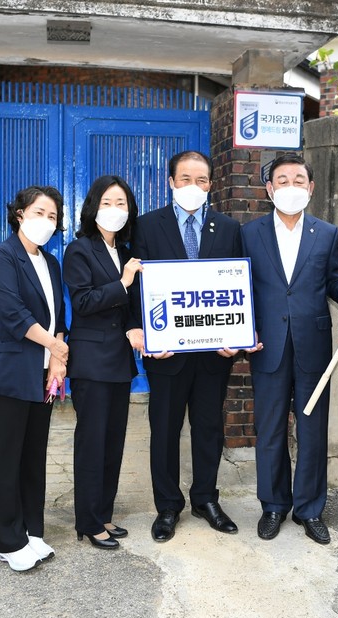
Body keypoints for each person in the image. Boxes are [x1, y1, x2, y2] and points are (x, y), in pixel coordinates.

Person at [241, 153, 338, 545]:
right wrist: (241, 331)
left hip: (313, 346)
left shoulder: (326, 232)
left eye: (298, 180)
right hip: (267, 345)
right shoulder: (250, 233)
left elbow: (335, 279)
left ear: (311, 188)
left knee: (313, 430)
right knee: (268, 430)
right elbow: (239, 288)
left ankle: (310, 509)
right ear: (269, 189)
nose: (291, 187)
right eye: (282, 180)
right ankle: (273, 505)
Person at [127, 150, 243, 542]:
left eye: (203, 180)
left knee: (209, 429)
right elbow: (134, 289)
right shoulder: (145, 226)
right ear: (171, 182)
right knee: (164, 430)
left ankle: (206, 499)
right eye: (186, 178)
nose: (194, 186)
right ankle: (168, 507)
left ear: (211, 185)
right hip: (167, 353)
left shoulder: (227, 228)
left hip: (213, 354)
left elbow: (237, 290)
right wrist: (138, 330)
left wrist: (237, 337)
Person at [0, 185, 68, 571]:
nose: (46, 221)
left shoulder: (51, 262)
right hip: (9, 375)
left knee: (33, 458)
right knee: (7, 459)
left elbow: (59, 315)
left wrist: (57, 359)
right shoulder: (2, 257)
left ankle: (31, 532)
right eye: (40, 212)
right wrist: (58, 348)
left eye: (53, 216)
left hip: (42, 375)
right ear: (19, 214)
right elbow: (14, 316)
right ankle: (7, 541)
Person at [63, 175, 143, 550]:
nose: (115, 210)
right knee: (92, 442)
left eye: (122, 204)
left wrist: (134, 328)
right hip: (91, 362)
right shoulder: (79, 250)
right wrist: (124, 282)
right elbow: (82, 302)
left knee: (114, 441)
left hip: (118, 361)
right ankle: (88, 521)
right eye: (108, 203)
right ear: (93, 207)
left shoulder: (125, 252)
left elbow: (127, 308)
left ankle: (104, 513)